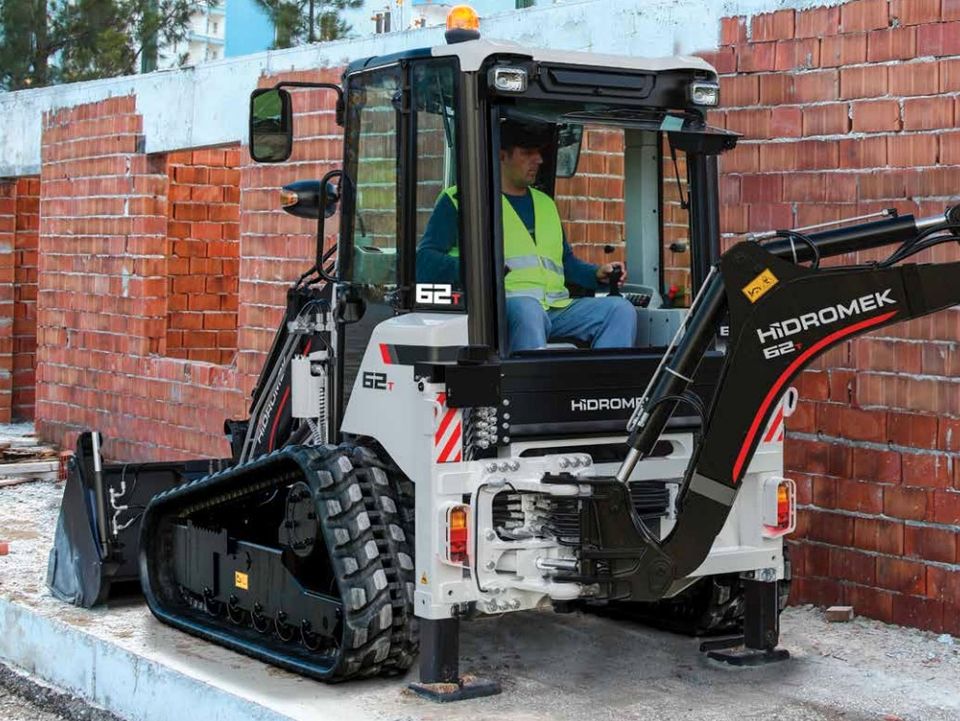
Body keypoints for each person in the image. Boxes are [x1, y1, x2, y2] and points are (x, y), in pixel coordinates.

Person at [416, 119, 637, 355]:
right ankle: (530, 387)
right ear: (501, 156)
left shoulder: (545, 204)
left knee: (620, 310)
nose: (539, 160)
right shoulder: (460, 200)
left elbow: (565, 263)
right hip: (501, 309)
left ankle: (600, 388)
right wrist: (479, 269)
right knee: (528, 309)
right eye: (528, 153)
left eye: (539, 153)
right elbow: (425, 261)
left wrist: (595, 274)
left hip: (556, 308)